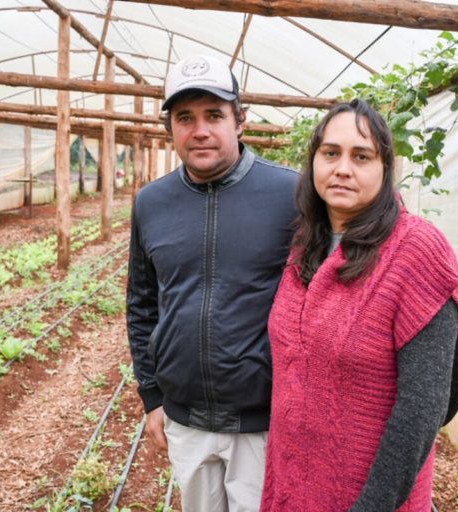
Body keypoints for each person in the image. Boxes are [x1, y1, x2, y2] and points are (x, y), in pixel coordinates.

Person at [261, 99, 458, 512]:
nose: (342, 168)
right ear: (314, 160)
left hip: (369, 496)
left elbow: (422, 408)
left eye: (361, 156)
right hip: (294, 479)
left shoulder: (417, 252)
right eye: (330, 153)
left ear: (386, 167)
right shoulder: (306, 245)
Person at [125, 54, 298, 512]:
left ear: (240, 121)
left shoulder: (292, 196)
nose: (200, 129)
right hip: (186, 420)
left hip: (265, 422)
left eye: (214, 115)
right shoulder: (151, 203)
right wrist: (152, 396)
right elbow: (142, 305)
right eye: (185, 117)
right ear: (171, 129)